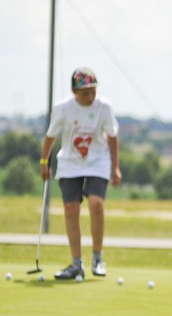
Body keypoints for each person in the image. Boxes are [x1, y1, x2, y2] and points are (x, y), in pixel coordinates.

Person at [40, 67, 122, 280]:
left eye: (93, 91)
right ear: (74, 91)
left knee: (96, 203)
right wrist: (43, 161)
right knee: (70, 208)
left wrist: (115, 167)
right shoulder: (63, 109)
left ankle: (97, 258)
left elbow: (112, 137)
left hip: (98, 160)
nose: (90, 96)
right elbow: (51, 136)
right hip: (69, 161)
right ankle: (76, 264)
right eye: (85, 92)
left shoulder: (104, 107)